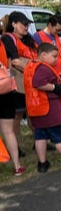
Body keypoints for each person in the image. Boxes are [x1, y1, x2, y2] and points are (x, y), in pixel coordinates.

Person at [25, 43, 61, 173]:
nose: (56, 59)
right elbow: (38, 83)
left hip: (36, 108)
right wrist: (55, 87)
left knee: (40, 136)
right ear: (43, 55)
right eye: (54, 56)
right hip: (49, 108)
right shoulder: (43, 68)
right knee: (59, 136)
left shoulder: (30, 66)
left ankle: (42, 163)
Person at [2, 11, 38, 158]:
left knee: (32, 113)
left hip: (29, 82)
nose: (26, 26)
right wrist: (35, 72)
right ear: (14, 24)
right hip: (17, 84)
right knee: (17, 114)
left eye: (28, 24)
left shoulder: (29, 39)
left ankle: (39, 141)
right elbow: (15, 62)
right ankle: (15, 145)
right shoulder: (8, 38)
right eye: (24, 24)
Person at [0, 15, 25, 176]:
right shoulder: (3, 43)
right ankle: (17, 165)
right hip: (5, 88)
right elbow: (9, 64)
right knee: (8, 130)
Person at [33, 15, 61, 81]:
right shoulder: (38, 37)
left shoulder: (56, 36)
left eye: (60, 30)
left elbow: (59, 50)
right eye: (57, 30)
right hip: (51, 74)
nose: (59, 32)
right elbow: (37, 57)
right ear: (49, 25)